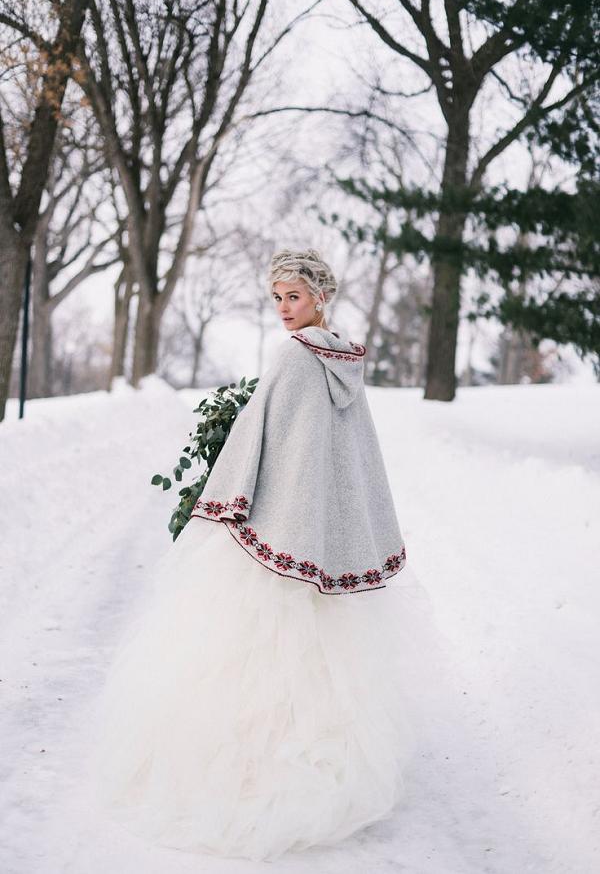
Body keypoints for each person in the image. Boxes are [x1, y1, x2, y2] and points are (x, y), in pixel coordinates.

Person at [83, 248, 449, 862]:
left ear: (319, 298)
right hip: (319, 542)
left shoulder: (292, 357)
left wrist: (224, 493)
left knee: (248, 655)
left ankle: (253, 774)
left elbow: (262, 435)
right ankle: (328, 766)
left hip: (277, 533)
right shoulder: (345, 363)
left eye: (294, 297)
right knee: (321, 660)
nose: (284, 309)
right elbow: (342, 458)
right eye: (277, 298)